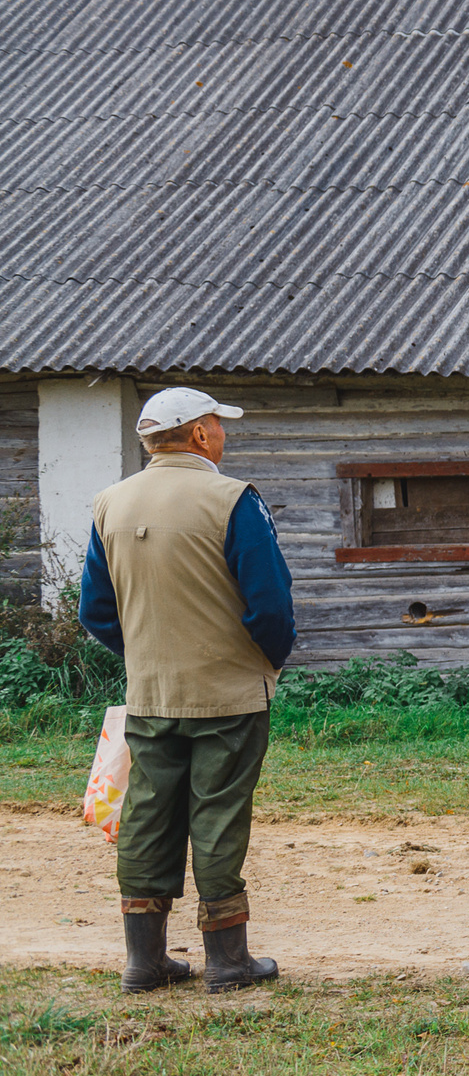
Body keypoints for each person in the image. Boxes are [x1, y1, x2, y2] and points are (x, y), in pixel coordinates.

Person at [78, 387, 295, 993]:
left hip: (150, 695)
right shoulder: (234, 501)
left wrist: (147, 658)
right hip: (228, 694)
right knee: (219, 814)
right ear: (200, 434)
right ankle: (227, 959)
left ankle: (144, 962)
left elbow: (96, 611)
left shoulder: (109, 503)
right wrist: (262, 663)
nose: (223, 435)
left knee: (148, 813)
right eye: (217, 426)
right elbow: (272, 608)